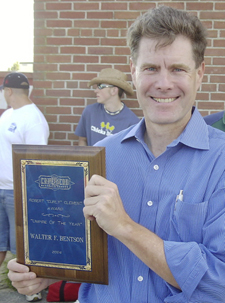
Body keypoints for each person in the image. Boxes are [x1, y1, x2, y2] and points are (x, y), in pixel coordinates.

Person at [7, 6, 225, 303]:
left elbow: (219, 283)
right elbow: (85, 249)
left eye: (177, 69)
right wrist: (48, 269)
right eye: (150, 68)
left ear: (199, 74)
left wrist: (125, 227)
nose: (163, 83)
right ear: (133, 71)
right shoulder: (101, 156)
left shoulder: (221, 161)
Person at [0, 72, 49, 302]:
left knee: (22, 244)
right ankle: (3, 281)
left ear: (7, 91)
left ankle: (31, 289)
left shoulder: (33, 119)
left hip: (18, 191)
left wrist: (29, 194)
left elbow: (36, 162)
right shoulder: (8, 114)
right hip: (0, 188)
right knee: (1, 241)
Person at [75, 68, 139, 146]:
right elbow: (82, 140)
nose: (96, 90)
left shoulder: (132, 122)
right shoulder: (90, 112)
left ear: (114, 91)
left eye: (100, 86)